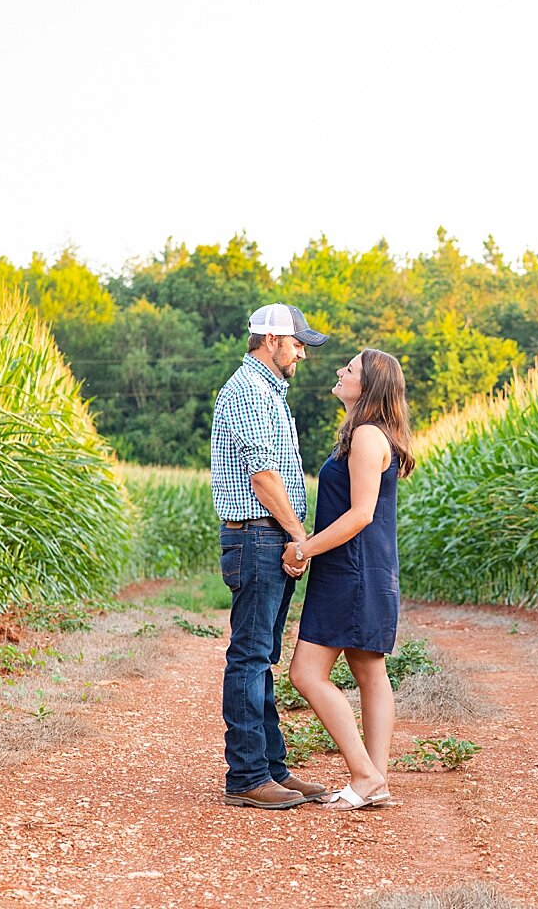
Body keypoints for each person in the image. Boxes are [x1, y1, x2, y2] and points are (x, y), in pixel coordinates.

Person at [284, 348, 416, 811]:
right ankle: (374, 780)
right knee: (369, 670)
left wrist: (303, 548)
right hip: (369, 569)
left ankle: (364, 774)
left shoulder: (365, 436)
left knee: (306, 673)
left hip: (351, 570)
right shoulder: (373, 435)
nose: (341, 372)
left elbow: (360, 515)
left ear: (370, 386)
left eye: (351, 369)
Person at [211, 303, 329, 809]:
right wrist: (299, 538)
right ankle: (247, 776)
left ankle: (272, 768)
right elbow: (263, 478)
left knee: (263, 658)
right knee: (251, 656)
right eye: (298, 341)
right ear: (273, 338)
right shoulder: (248, 392)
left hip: (268, 538)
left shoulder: (269, 394)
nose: (303, 351)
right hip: (257, 537)